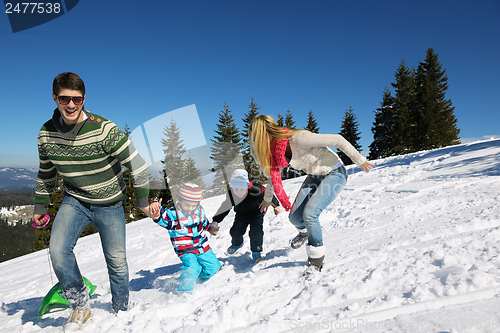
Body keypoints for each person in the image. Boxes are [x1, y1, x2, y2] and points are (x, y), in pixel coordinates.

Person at [33, 72, 154, 330]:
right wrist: (40, 207)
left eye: (76, 99)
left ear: (84, 99)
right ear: (54, 98)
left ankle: (121, 309)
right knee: (58, 250)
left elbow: (140, 167)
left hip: (110, 204)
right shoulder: (46, 134)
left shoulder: (103, 129)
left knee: (116, 261)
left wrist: (143, 203)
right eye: (64, 98)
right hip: (75, 200)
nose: (71, 105)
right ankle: (79, 305)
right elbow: (46, 173)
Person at [248, 115, 374, 275]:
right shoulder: (276, 151)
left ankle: (316, 260)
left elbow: (338, 140)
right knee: (294, 217)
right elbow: (273, 175)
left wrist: (359, 160)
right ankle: (305, 233)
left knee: (310, 214)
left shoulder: (298, 139)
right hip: (314, 176)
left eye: (254, 139)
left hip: (335, 173)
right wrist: (267, 200)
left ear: (261, 136)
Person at [149, 183, 221, 293]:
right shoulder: (173, 214)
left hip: (201, 245)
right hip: (185, 248)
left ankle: (198, 280)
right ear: (180, 200)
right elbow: (162, 218)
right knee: (193, 268)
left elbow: (203, 222)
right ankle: (183, 291)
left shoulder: (200, 210)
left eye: (194, 205)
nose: (190, 209)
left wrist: (210, 228)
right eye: (187, 205)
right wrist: (155, 206)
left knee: (214, 267)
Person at [211, 169, 281, 263]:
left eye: (241, 189)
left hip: (257, 213)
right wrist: (216, 220)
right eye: (236, 189)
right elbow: (225, 207)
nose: (239, 192)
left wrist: (276, 206)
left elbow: (268, 195)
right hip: (241, 214)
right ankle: (237, 244)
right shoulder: (231, 195)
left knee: (256, 233)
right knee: (235, 232)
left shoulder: (257, 189)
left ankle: (256, 252)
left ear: (247, 186)